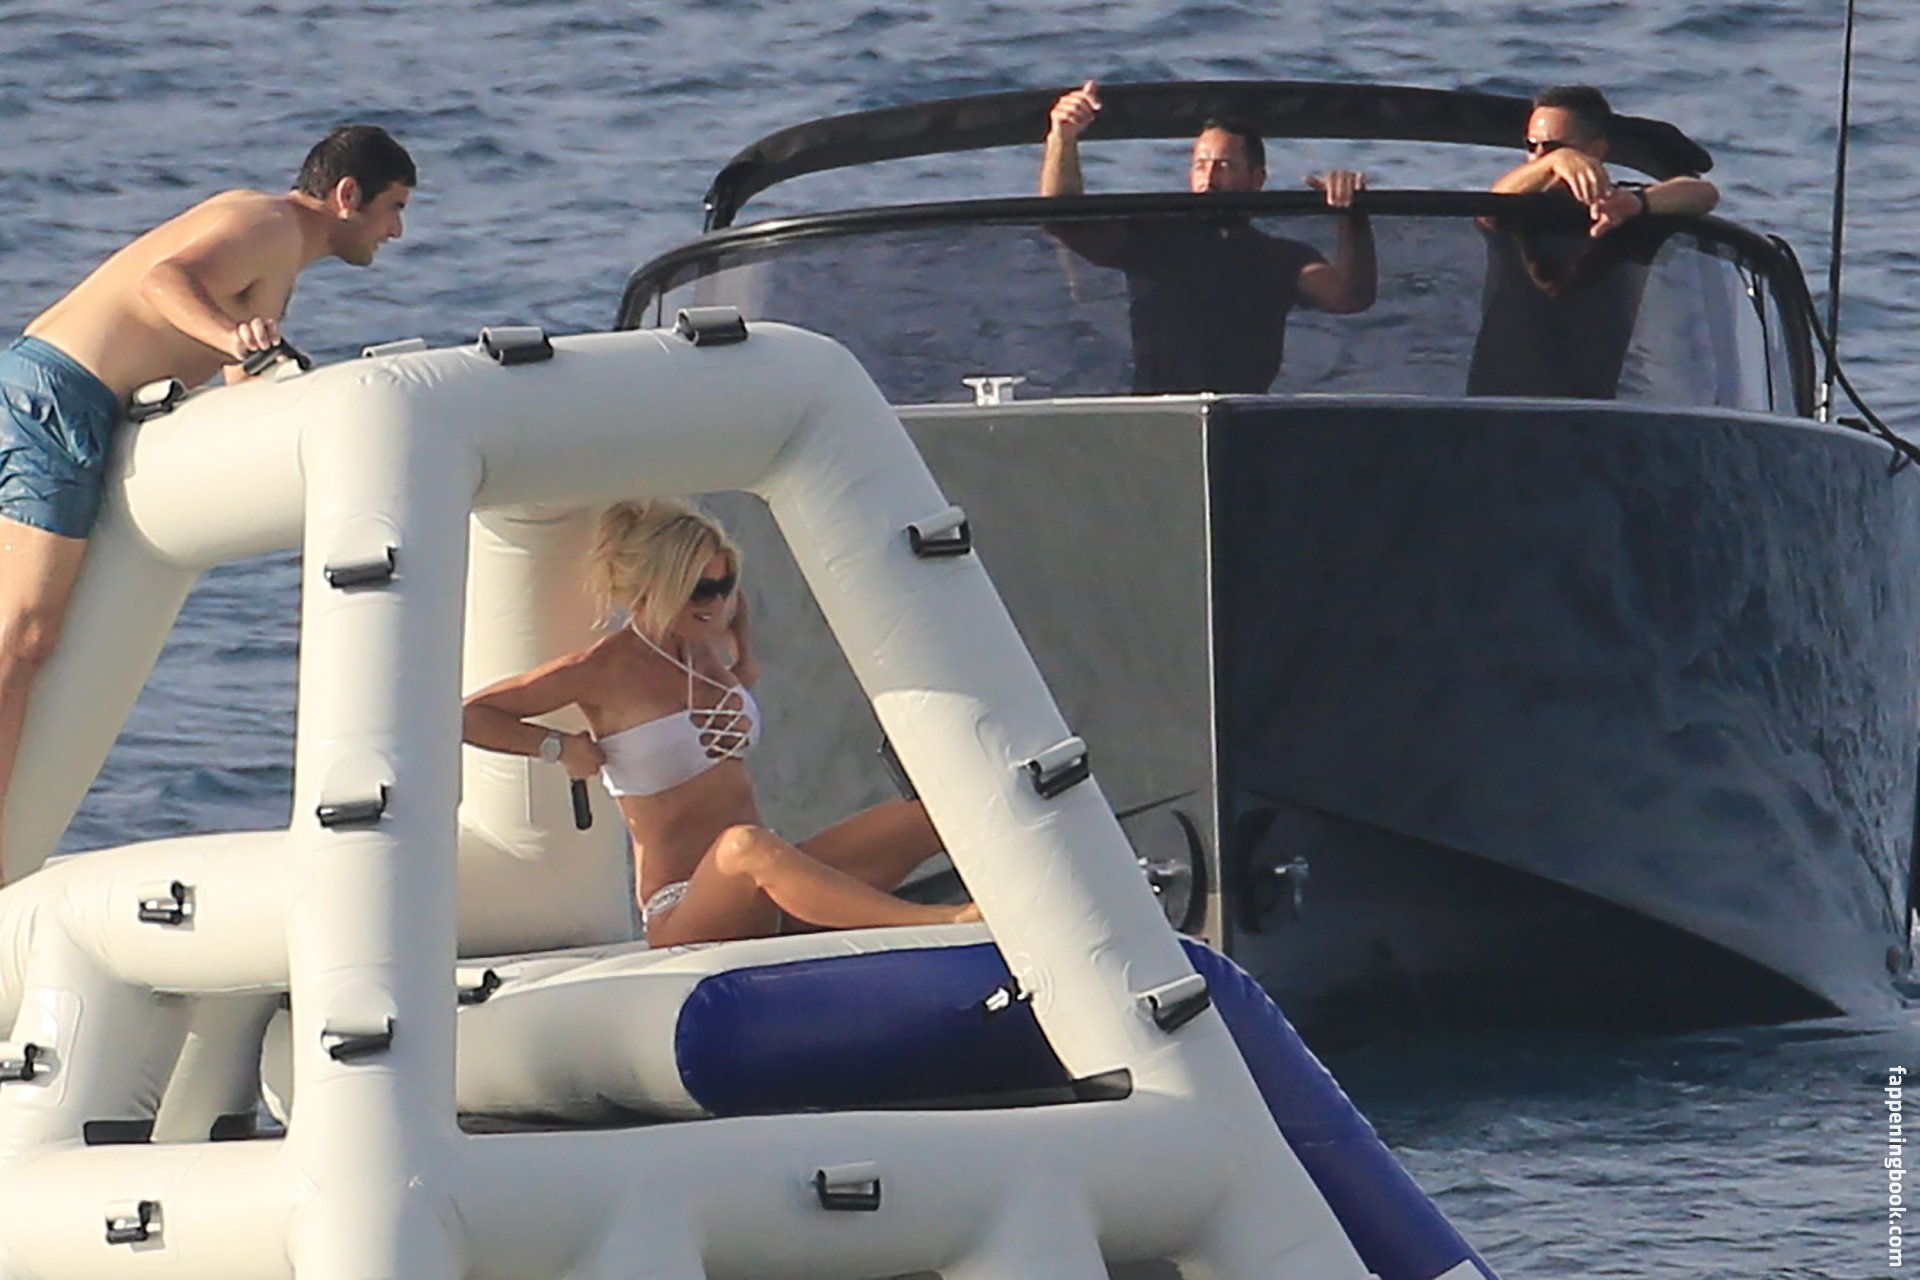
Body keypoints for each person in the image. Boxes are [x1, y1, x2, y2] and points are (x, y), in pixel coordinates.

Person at [0, 124, 415, 886]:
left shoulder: (281, 255)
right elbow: (163, 283)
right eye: (394, 207)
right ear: (347, 195)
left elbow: (240, 374)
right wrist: (231, 335)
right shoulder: (267, 224)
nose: (397, 231)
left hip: (60, 395)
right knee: (24, 634)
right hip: (58, 395)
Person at [462, 500, 978, 947]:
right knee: (744, 845)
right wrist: (557, 746)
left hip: (768, 881)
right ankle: (939, 922)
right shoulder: (602, 671)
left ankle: (1008, 908)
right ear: (653, 591)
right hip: (687, 905)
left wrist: (743, 664)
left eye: (726, 583)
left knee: (933, 813)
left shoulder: (710, 636)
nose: (718, 602)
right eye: (700, 590)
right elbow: (469, 716)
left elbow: (737, 638)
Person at [1039, 79, 1376, 394]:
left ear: (1257, 178)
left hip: (1244, 417)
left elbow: (1349, 295)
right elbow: (1065, 222)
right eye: (1200, 165)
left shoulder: (1281, 259)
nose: (1209, 179)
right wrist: (1062, 138)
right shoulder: (1153, 239)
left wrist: (1350, 214)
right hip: (1157, 415)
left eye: (1224, 166)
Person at [1469, 85, 1719, 398]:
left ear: (1596, 151)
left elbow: (1703, 194)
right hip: (1496, 401)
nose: (1539, 157)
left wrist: (1637, 203)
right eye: (1532, 146)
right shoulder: (1514, 210)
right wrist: (1556, 161)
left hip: (1588, 405)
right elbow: (1495, 201)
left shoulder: (1618, 212)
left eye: (1555, 146)